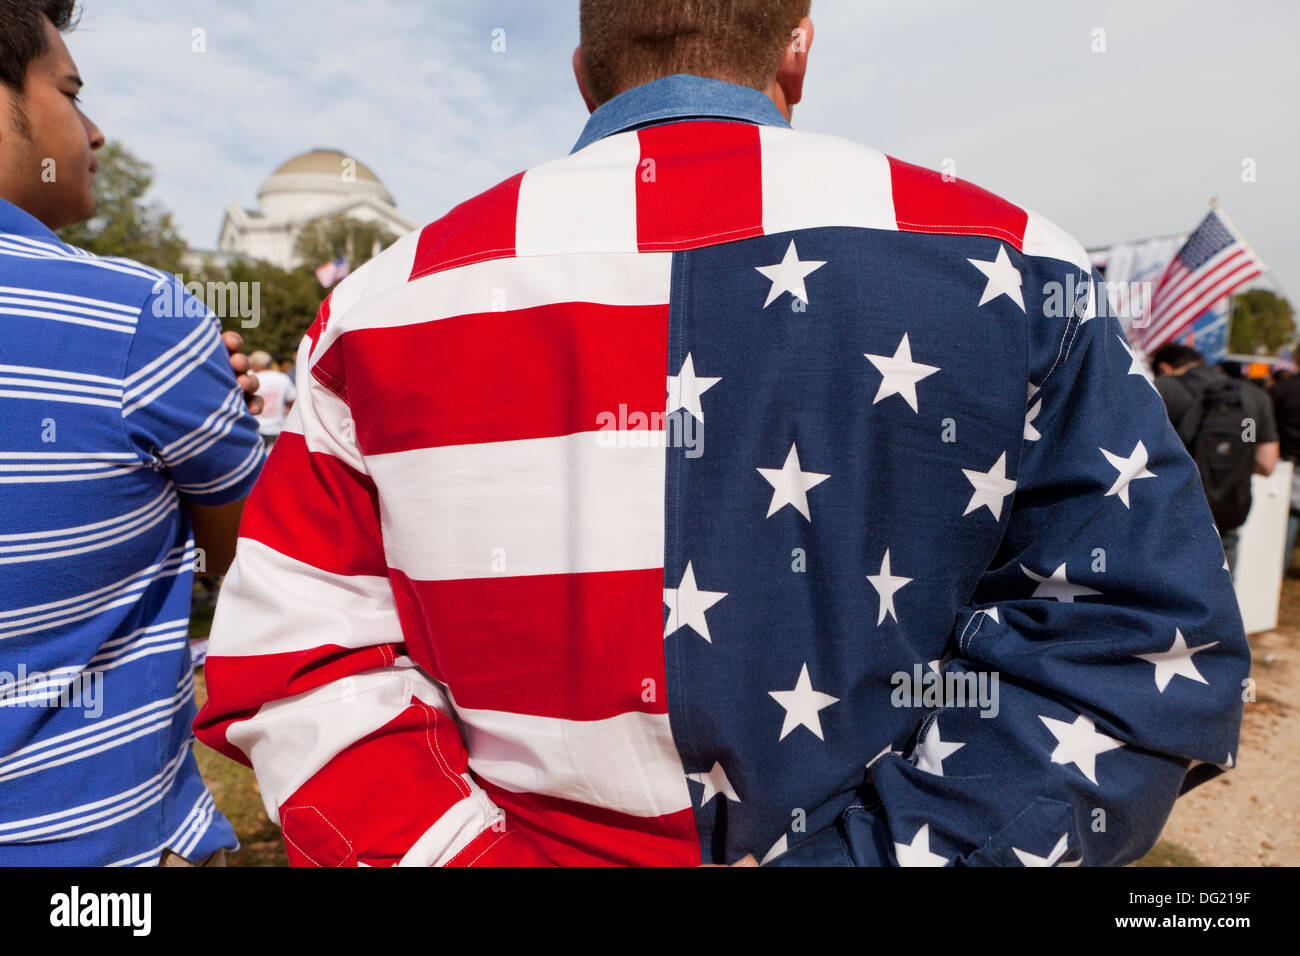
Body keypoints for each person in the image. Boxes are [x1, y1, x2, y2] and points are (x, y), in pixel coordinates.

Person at [197, 0, 1250, 867]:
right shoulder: (1020, 260)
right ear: (799, 42)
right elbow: (1134, 643)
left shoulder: (386, 303)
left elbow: (298, 658)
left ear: (582, 70)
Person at [0, 0, 265, 865]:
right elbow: (257, 560)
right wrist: (201, 412)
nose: (96, 130)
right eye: (70, 92)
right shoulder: (137, 317)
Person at [1150, 343, 1278, 573]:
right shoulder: (1255, 397)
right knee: (1221, 596)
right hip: (1226, 512)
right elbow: (1267, 463)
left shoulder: (1162, 389)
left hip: (1169, 517)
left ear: (1164, 368)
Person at [1269, 356, 1300, 572]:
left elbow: (1252, 421)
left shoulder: (1280, 390)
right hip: (1287, 463)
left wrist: (1248, 442)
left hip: (1287, 461)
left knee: (1288, 517)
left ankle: (1278, 567)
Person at [249, 350, 296, 447]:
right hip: (278, 428)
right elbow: (293, 400)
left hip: (256, 428)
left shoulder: (252, 379)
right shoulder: (282, 377)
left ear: (256, 364)